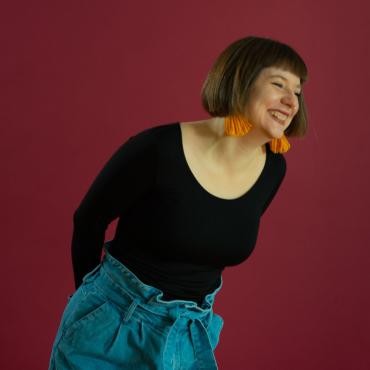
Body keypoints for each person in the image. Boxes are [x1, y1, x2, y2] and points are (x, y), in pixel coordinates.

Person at [48, 35, 308, 370]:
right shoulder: (158, 149)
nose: (291, 101)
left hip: (190, 334)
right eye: (278, 84)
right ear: (240, 80)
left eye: (298, 92)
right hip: (110, 328)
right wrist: (96, 305)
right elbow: (88, 220)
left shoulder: (273, 169)